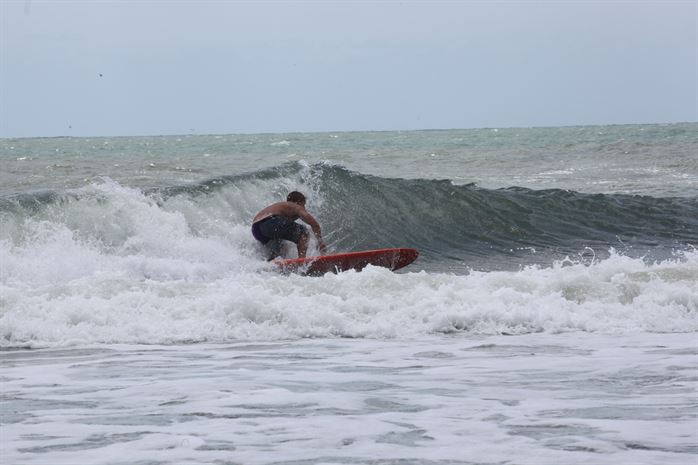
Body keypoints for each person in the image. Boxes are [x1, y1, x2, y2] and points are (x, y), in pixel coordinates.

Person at [251, 191, 326, 260]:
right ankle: (302, 263)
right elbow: (314, 224)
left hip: (256, 229)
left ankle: (272, 264)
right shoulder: (296, 206)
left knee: (281, 246)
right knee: (304, 232)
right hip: (270, 222)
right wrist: (320, 242)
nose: (304, 208)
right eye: (304, 205)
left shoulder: (281, 207)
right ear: (299, 202)